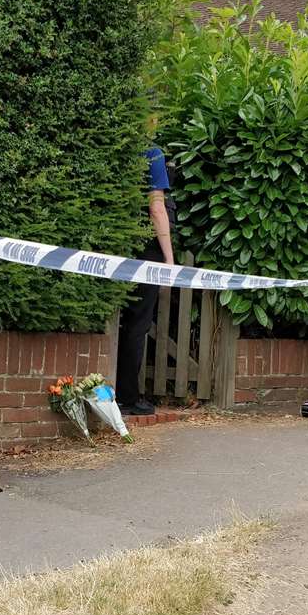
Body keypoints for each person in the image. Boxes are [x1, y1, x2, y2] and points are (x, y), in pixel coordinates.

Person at [116, 145, 175, 416]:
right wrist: (169, 261)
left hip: (121, 245)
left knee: (124, 321)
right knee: (137, 323)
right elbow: (156, 207)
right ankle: (127, 397)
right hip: (146, 251)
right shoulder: (152, 153)